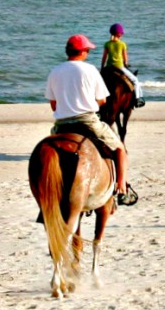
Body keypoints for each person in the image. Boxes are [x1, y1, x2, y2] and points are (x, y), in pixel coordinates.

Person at [46, 34, 135, 204]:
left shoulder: (55, 71)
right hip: (87, 121)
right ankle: (122, 186)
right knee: (119, 149)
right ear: (83, 52)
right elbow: (102, 100)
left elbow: (54, 104)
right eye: (87, 50)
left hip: (61, 125)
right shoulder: (90, 70)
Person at [101, 23, 145, 107]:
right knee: (135, 80)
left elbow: (104, 57)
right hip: (119, 67)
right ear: (119, 34)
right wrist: (126, 64)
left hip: (109, 67)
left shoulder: (107, 44)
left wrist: (102, 67)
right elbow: (125, 59)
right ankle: (138, 99)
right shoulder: (122, 44)